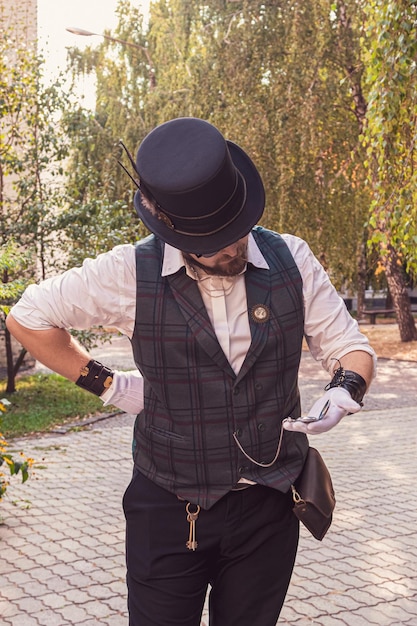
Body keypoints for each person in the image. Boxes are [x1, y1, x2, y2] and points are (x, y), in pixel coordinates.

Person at [7, 117, 375, 626]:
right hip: (167, 508)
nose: (230, 246)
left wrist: (345, 388)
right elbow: (28, 317)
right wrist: (109, 387)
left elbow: (351, 347)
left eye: (236, 230)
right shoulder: (127, 272)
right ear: (172, 229)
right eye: (212, 240)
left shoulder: (293, 259)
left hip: (269, 507)